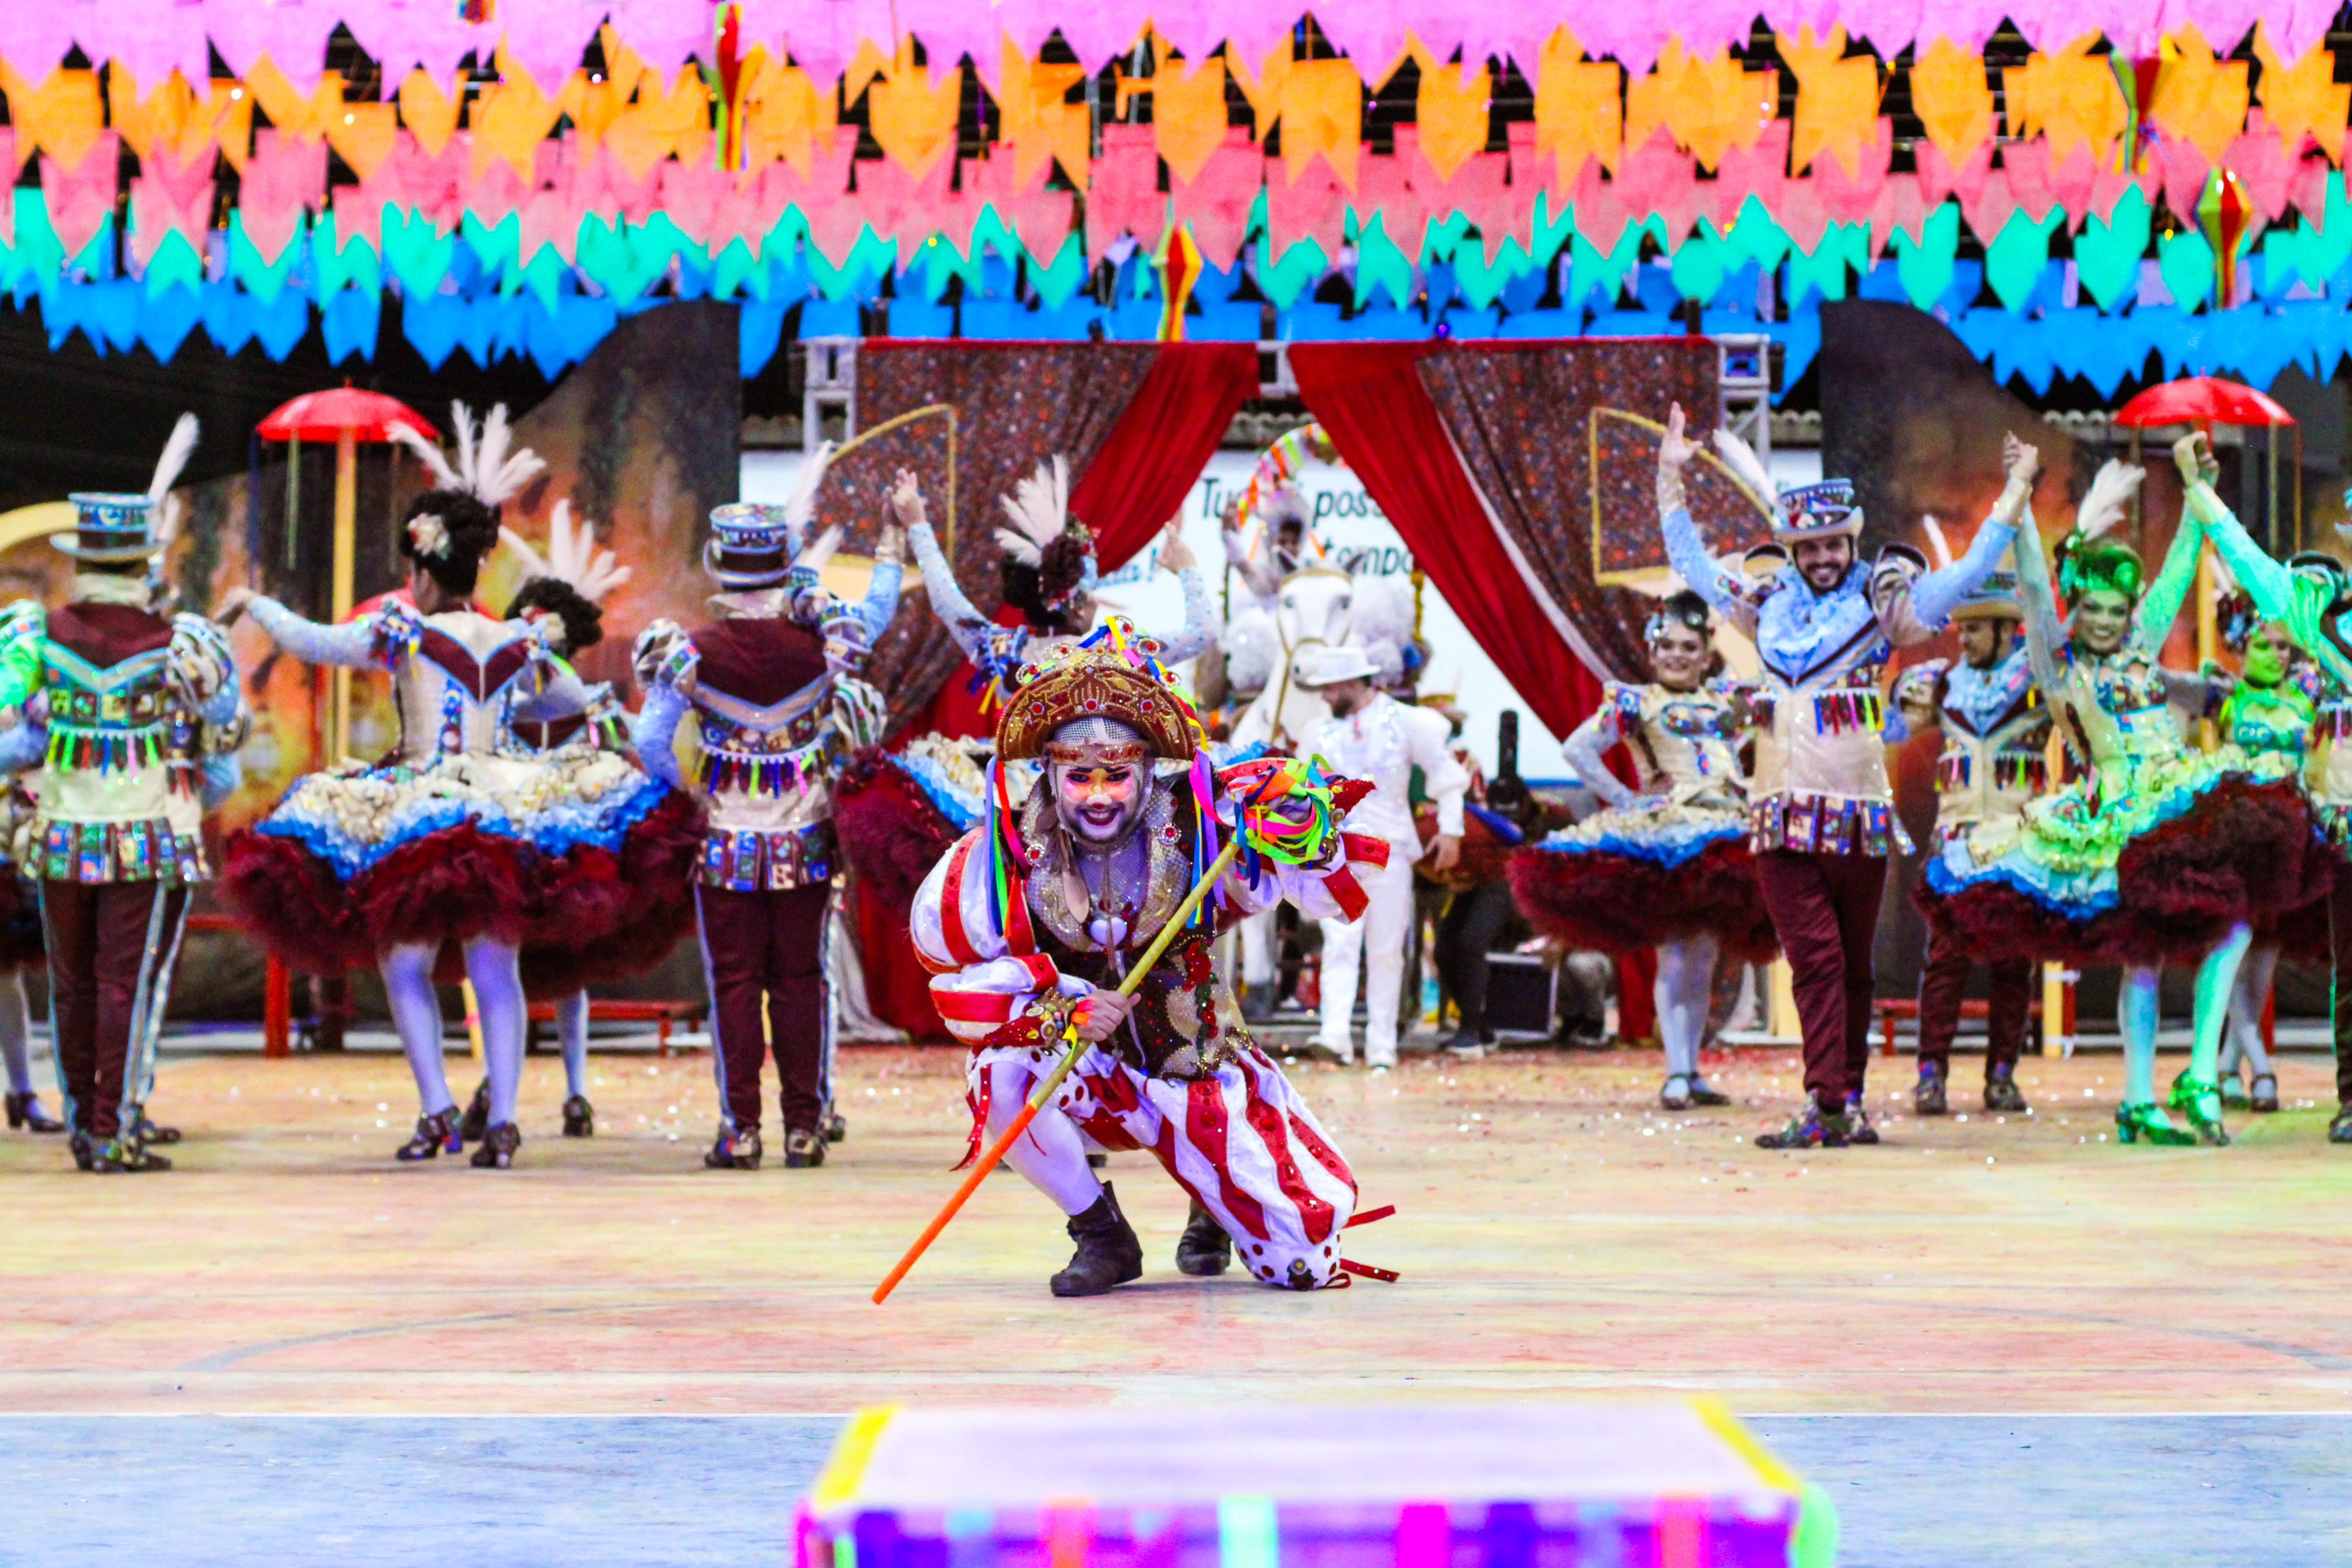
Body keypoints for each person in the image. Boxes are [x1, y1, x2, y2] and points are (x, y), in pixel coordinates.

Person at [224, 404, 666, 1170]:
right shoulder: (519, 642)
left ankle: (437, 1110)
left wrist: (251, 604)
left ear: (425, 572)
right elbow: (572, 702)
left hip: (420, 806)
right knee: (498, 967)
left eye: (412, 573)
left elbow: (312, 640)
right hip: (502, 805)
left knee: (404, 962)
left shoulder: (402, 631)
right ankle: (504, 1122)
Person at [911, 634, 1387, 1294]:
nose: (1097, 795)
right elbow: (956, 978)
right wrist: (1063, 1004)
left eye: (1116, 775)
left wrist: (1299, 822)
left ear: (1145, 769)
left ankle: (1211, 1204)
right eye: (1078, 776)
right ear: (1048, 772)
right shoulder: (1005, 852)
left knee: (1299, 1264)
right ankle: (1101, 1233)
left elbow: (1321, 889)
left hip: (1198, 1070)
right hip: (1092, 1074)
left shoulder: (1204, 820)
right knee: (1000, 1072)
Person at [1919, 440, 2318, 1147]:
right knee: (2144, 954)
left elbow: (2176, 570)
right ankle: (2138, 1098)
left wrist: (2194, 489)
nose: (2105, 620)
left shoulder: (2140, 643)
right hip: (2116, 812)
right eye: (2093, 608)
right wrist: (2018, 491)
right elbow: (2034, 585)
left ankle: (2199, 1073)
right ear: (2076, 608)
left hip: (2175, 797)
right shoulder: (2057, 665)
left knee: (2232, 924)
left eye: (2115, 609)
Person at [1657, 403, 2031, 1149]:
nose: (1824, 556)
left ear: (1851, 541)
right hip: (1779, 813)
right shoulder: (1766, 604)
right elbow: (1694, 568)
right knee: (1817, 958)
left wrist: (2017, 490)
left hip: (1857, 813)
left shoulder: (1881, 600)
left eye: (1834, 543)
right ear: (1793, 549)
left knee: (1852, 966)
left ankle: (1846, 1101)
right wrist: (1670, 478)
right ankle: (1826, 1100)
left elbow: (1966, 575)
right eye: (1811, 546)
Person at [631, 451, 902, 1171]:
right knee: (802, 982)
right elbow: (876, 613)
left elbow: (650, 739)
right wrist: (893, 539)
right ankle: (804, 1128)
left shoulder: (691, 652)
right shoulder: (821, 645)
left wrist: (689, 788)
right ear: (785, 568)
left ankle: (741, 1129)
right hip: (805, 841)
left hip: (724, 843)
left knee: (733, 985)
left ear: (720, 568)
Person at [0, 414, 240, 1173]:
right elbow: (222, 716)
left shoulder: (35, 633)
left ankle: (84, 1123)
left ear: (82, 559)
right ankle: (110, 1128)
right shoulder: (180, 643)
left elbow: (8, 706)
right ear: (143, 561)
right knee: (121, 985)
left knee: (70, 986)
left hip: (61, 832)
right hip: (140, 832)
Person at [1512, 591, 1775, 1108]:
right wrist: (1626, 798)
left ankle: (1691, 1069)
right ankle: (1676, 1071)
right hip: (1671, 839)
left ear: (1707, 655)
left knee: (1703, 960)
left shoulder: (1725, 701)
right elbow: (1578, 749)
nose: (1677, 655)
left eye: (1689, 647)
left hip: (1725, 832)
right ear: (1653, 654)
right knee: (1676, 958)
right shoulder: (1637, 704)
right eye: (1667, 646)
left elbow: (1760, 722)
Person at [2174, 432, 2352, 1141]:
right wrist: (2200, 493)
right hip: (2339, 818)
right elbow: (2251, 566)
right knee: (2351, 969)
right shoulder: (2320, 619)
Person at [1893, 557, 2047, 1116]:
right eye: (1962, 628)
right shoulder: (1940, 684)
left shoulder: (2040, 683)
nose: (1965, 639)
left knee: (2013, 965)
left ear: (2007, 630)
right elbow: (1889, 730)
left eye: (1977, 628)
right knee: (1945, 962)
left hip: (2018, 846)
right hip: (1955, 847)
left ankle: (2002, 1073)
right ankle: (1930, 1073)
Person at [906, 457, 1214, 704]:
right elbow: (1203, 634)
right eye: (1091, 594)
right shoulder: (1117, 656)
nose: (1095, 603)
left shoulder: (1004, 653)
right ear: (1078, 607)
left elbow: (948, 602)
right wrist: (1187, 568)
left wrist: (917, 524)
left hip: (1021, 769)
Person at [1292, 644, 1467, 1070]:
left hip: (1390, 851)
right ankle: (1335, 1034)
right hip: (1336, 852)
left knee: (1386, 948)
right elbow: (1300, 793)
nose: (1325, 696)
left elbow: (1445, 773)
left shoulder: (1407, 722)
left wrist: (1451, 828)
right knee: (1339, 941)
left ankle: (1381, 1043)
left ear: (1352, 684)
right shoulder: (1318, 732)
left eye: (1330, 688)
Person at [2210, 617, 2315, 1117]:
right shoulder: (2224, 699)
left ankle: (2229, 1067)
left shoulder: (2306, 703)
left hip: (2290, 845)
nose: (2277, 655)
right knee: (2233, 956)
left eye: (2284, 647)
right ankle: (2262, 1067)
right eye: (2263, 645)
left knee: (2263, 966)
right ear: (2240, 648)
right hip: (2238, 841)